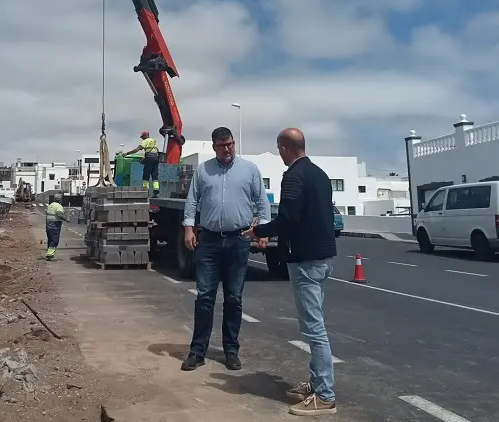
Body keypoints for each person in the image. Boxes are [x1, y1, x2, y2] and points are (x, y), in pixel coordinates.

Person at [243, 128, 337, 416]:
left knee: (313, 328)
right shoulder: (319, 173)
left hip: (307, 260)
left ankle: (325, 395)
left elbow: (288, 218)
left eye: (279, 149)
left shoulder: (294, 176)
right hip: (322, 256)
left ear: (284, 148)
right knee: (314, 324)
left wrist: (257, 231)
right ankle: (316, 383)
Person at [180, 127, 271, 372]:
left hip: (238, 240)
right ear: (214, 147)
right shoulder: (203, 170)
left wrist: (263, 230)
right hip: (208, 242)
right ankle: (197, 351)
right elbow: (192, 202)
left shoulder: (249, 170)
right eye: (222, 145)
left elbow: (263, 203)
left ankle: (231, 351)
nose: (227, 148)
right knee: (205, 298)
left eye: (230, 144)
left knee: (233, 298)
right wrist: (189, 228)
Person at [121, 131, 160, 197]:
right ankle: (156, 192)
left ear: (145, 136)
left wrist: (127, 153)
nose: (142, 138)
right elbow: (155, 151)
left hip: (149, 159)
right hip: (156, 159)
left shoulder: (145, 141)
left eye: (142, 137)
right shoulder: (153, 141)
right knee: (155, 176)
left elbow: (137, 149)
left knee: (146, 176)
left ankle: (145, 192)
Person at [45, 194, 69, 260]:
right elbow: (59, 214)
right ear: (60, 200)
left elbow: (47, 213)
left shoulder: (51, 205)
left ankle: (49, 253)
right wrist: (66, 219)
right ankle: (50, 254)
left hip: (48, 224)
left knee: (50, 239)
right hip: (55, 224)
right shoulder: (59, 206)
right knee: (54, 240)